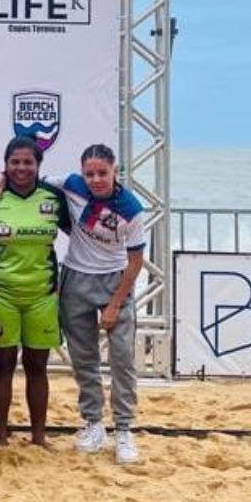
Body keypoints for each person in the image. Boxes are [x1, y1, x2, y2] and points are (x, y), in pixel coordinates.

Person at [49, 144, 146, 464]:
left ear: (115, 170)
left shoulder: (131, 209)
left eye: (102, 172)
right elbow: (30, 176)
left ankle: (124, 429)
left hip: (114, 281)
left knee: (121, 359)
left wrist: (116, 305)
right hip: (76, 279)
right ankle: (93, 423)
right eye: (90, 173)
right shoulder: (72, 185)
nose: (96, 179)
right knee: (84, 358)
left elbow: (135, 263)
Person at [0, 137, 69, 448]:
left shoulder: (53, 198)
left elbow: (82, 231)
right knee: (3, 366)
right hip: (0, 294)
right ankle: (1, 436)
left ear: (38, 165)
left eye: (28, 162)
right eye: (14, 163)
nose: (21, 168)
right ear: (5, 165)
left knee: (37, 367)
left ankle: (39, 436)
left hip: (42, 294)